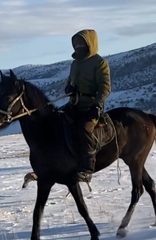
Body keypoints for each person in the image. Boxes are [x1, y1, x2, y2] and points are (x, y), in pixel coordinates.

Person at [65, 29, 111, 182]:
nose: (78, 47)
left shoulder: (99, 63)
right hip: (75, 104)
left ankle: (87, 168)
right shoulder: (74, 64)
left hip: (91, 105)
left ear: (90, 43)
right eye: (76, 44)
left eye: (81, 44)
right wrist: (69, 88)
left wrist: (97, 105)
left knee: (85, 129)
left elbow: (105, 87)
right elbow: (70, 81)